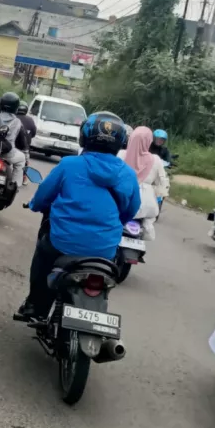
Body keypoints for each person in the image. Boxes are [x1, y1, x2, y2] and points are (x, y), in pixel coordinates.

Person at [18, 112, 140, 318]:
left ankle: (35, 305)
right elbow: (130, 210)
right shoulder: (128, 174)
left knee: (43, 255)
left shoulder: (69, 165)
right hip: (105, 249)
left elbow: (43, 197)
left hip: (62, 243)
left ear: (84, 136)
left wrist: (34, 205)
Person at [117, 125, 169, 240]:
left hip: (123, 199)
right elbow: (162, 184)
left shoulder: (121, 154)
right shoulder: (155, 159)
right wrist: (156, 193)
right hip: (146, 204)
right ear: (149, 141)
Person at [16, 100, 37, 181]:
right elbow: (34, 133)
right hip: (25, 148)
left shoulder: (13, 118)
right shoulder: (30, 120)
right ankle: (24, 178)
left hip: (11, 147)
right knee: (26, 161)